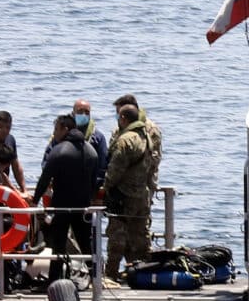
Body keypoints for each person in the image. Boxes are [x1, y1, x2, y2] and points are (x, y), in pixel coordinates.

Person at [31, 113, 99, 282]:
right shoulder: (91, 151)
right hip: (82, 207)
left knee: (58, 247)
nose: (54, 134)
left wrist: (35, 200)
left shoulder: (59, 150)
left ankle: (54, 281)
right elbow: (94, 182)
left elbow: (45, 178)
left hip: (61, 207)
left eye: (56, 129)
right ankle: (97, 278)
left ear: (65, 129)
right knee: (86, 245)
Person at [101, 94, 163, 281]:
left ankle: (114, 273)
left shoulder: (132, 136)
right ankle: (140, 273)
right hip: (141, 192)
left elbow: (117, 166)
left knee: (121, 235)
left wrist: (105, 187)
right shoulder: (143, 132)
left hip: (126, 192)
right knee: (139, 234)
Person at [72, 99, 108, 183]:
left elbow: (102, 166)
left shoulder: (97, 137)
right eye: (80, 111)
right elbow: (49, 158)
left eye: (87, 112)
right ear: (73, 113)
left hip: (89, 184)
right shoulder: (63, 132)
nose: (83, 115)